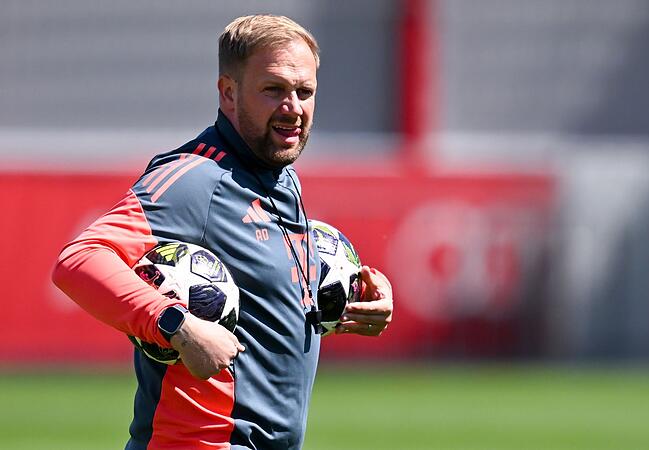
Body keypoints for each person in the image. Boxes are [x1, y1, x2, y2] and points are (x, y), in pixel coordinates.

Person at [51, 14, 393, 450]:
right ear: (228, 92)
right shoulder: (196, 177)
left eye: (304, 92)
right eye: (273, 89)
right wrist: (176, 325)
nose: (293, 107)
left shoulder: (282, 178)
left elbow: (267, 294)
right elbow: (79, 260)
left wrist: (354, 302)